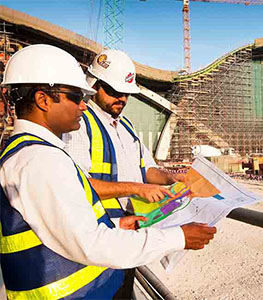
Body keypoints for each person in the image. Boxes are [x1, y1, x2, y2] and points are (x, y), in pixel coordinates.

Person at [0, 44, 216, 299]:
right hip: (94, 265)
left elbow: (65, 218)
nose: (82, 105)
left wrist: (118, 222)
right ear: (43, 100)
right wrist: (178, 237)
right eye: (76, 96)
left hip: (111, 249)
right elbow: (90, 241)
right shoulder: (42, 158)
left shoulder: (43, 151)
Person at [63, 49, 185, 298]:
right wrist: (136, 188)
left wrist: (173, 178)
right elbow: (76, 186)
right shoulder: (79, 126)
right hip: (100, 236)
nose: (122, 99)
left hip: (128, 234)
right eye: (114, 91)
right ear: (93, 85)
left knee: (123, 290)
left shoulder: (126, 126)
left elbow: (147, 169)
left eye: (126, 93)